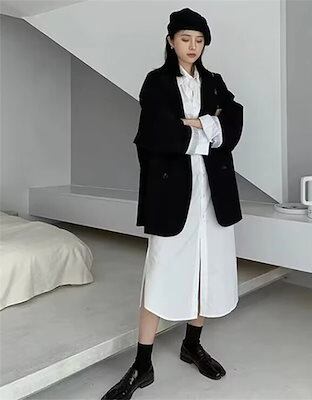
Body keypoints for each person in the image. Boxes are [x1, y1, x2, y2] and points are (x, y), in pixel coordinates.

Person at [101, 7, 244, 400]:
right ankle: (141, 364)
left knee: (206, 270)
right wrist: (209, 129)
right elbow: (156, 132)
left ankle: (191, 345)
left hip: (213, 193)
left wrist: (201, 123)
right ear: (171, 41)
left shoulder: (214, 82)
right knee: (160, 272)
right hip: (172, 194)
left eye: (199, 40)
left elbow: (233, 121)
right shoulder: (157, 82)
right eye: (185, 39)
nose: (193, 46)